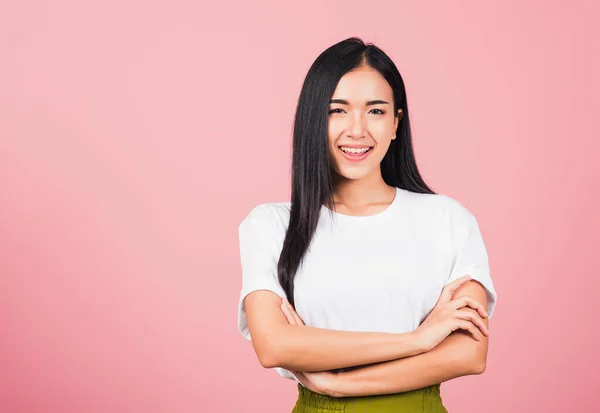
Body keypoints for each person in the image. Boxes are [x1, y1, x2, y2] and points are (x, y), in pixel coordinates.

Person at [236, 37, 498, 412]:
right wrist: (420, 340)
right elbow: (273, 346)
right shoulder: (271, 225)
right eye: (337, 111)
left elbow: (469, 353)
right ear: (313, 121)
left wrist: (341, 385)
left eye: (375, 111)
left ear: (396, 123)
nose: (356, 130)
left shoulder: (447, 219)